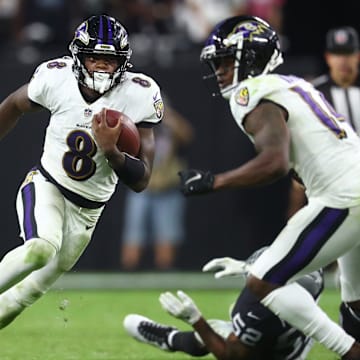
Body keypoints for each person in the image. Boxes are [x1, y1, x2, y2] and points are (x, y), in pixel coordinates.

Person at [173, 15, 360, 359]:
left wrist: (216, 182)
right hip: (351, 183)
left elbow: (274, 162)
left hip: (344, 195)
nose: (220, 71)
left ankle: (348, 350)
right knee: (355, 301)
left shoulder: (251, 91)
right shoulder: (293, 84)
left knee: (263, 282)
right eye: (217, 63)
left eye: (227, 61)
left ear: (252, 57)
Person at [0, 14, 163, 328]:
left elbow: (142, 179)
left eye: (110, 60)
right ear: (78, 57)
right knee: (39, 249)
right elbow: (13, 105)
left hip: (88, 212)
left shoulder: (140, 93)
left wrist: (112, 152)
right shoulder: (56, 77)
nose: (102, 66)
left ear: (124, 63)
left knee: (24, 295)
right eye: (94, 58)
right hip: (48, 185)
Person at [124, 247, 324, 360]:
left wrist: (196, 320)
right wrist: (247, 266)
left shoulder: (257, 313)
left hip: (271, 351)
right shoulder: (312, 280)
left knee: (216, 331)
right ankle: (171, 338)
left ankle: (171, 339)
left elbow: (232, 356)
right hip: (297, 335)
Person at [120, 96, 194, 271]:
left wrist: (167, 116)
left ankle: (164, 274)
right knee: (133, 235)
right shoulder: (138, 124)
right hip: (142, 188)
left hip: (167, 189)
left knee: (166, 236)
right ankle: (128, 275)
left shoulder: (171, 128)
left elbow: (188, 135)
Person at [313, 26, 360, 132]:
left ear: (357, 56)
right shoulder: (315, 92)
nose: (343, 60)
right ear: (328, 58)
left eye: (347, 53)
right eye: (337, 54)